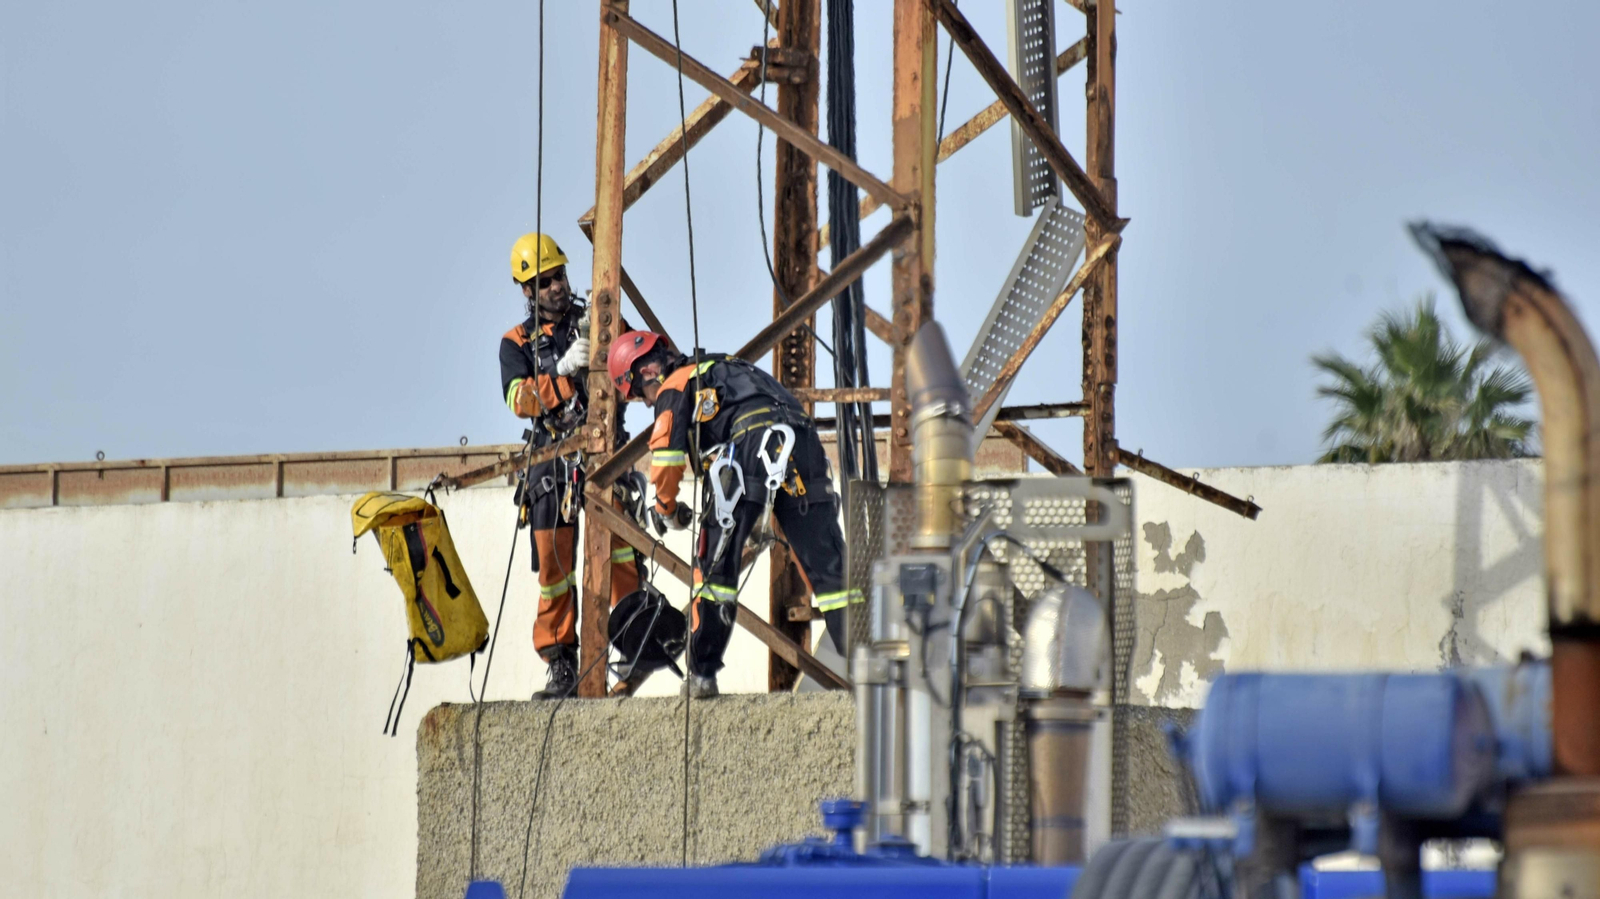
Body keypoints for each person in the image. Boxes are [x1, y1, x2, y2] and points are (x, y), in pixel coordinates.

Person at [607, 331, 859, 698]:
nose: (647, 403)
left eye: (639, 395)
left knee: (713, 566)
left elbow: (666, 460)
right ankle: (867, 667)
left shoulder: (675, 385)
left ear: (643, 372)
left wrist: (666, 509)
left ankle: (703, 674)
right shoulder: (725, 368)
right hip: (802, 442)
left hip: (750, 445)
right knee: (828, 565)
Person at [499, 233, 642, 698]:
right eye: (544, 282)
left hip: (603, 452)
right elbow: (519, 399)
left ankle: (628, 644)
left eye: (559, 276)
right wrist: (559, 373)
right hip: (552, 461)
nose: (556, 287)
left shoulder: (598, 321)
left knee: (621, 550)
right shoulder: (516, 342)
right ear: (527, 291)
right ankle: (561, 661)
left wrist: (607, 353)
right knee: (554, 569)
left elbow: (640, 368)